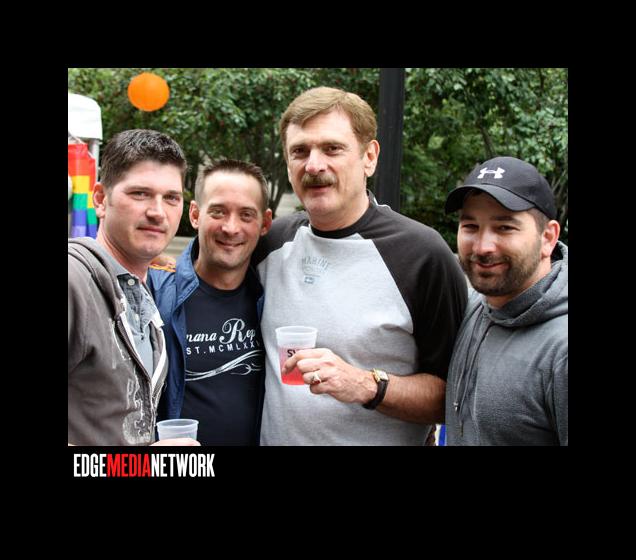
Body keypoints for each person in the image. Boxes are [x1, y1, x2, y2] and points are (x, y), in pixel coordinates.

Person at [252, 86, 468, 445]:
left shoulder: (421, 255)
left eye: (332, 148)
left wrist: (367, 385)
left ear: (369, 157)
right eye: (300, 151)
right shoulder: (269, 243)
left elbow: (458, 397)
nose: (314, 165)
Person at [68, 129, 199, 446]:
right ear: (101, 199)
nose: (157, 211)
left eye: (171, 198)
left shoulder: (142, 292)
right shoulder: (74, 279)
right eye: (140, 193)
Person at [443, 156, 568, 445]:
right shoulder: (477, 305)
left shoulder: (561, 348)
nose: (483, 247)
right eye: (470, 226)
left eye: (504, 228)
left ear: (548, 237)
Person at [148, 160, 272, 445]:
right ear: (195, 214)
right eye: (218, 211)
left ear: (265, 223)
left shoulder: (272, 299)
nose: (231, 228)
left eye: (246, 215)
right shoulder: (153, 293)